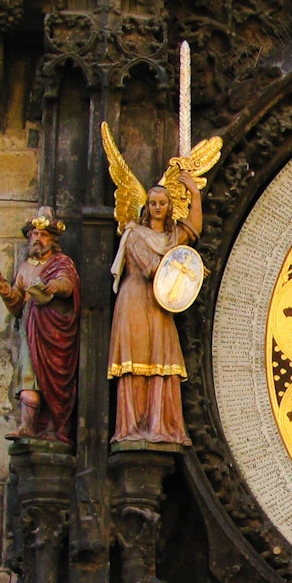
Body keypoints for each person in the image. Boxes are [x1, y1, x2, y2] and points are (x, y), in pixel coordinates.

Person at [108, 170, 202, 445]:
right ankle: (133, 427)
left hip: (161, 303)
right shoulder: (135, 236)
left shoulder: (171, 239)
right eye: (153, 203)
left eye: (163, 202)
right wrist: (188, 270)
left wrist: (195, 194)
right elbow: (154, 268)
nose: (158, 207)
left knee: (163, 359)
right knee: (136, 362)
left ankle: (161, 425)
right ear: (146, 208)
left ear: (170, 206)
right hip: (136, 300)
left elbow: (193, 229)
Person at [0, 207, 80, 444]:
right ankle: (28, 425)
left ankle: (53, 426)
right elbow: (18, 304)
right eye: (34, 234)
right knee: (28, 375)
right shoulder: (24, 268)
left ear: (52, 240)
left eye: (43, 235)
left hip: (53, 332)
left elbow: (67, 284)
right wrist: (3, 288)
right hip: (31, 330)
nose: (38, 239)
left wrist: (55, 287)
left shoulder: (61, 262)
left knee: (53, 380)